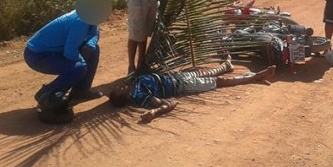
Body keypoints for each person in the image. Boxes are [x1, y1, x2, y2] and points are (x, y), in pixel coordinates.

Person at [24, 0, 112, 124]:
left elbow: (95, 34)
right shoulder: (80, 21)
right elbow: (70, 52)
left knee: (93, 50)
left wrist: (90, 45)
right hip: (37, 55)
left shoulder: (90, 16)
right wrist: (83, 62)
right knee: (78, 68)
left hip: (52, 51)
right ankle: (46, 95)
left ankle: (80, 92)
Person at [109, 58, 276, 123]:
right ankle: (254, 77)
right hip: (182, 86)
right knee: (220, 82)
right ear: (124, 96)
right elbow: (170, 102)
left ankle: (226, 65)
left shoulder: (133, 82)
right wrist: (154, 112)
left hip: (176, 77)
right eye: (118, 90)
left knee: (202, 72)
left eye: (117, 87)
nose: (119, 86)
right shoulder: (140, 96)